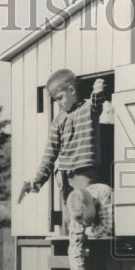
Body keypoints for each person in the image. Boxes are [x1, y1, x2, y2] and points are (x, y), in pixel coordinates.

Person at [18, 71, 108, 204]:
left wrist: (98, 89)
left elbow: (97, 100)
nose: (58, 103)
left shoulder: (89, 108)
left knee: (85, 211)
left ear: (71, 90)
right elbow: (49, 155)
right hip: (65, 178)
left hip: (85, 173)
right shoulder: (58, 121)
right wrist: (38, 181)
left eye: (60, 98)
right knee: (70, 217)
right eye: (55, 100)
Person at [64, 182, 114, 270]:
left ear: (90, 205)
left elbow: (107, 227)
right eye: (82, 223)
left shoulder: (103, 193)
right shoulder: (77, 214)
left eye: (88, 220)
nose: (86, 223)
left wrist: (88, 231)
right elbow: (74, 249)